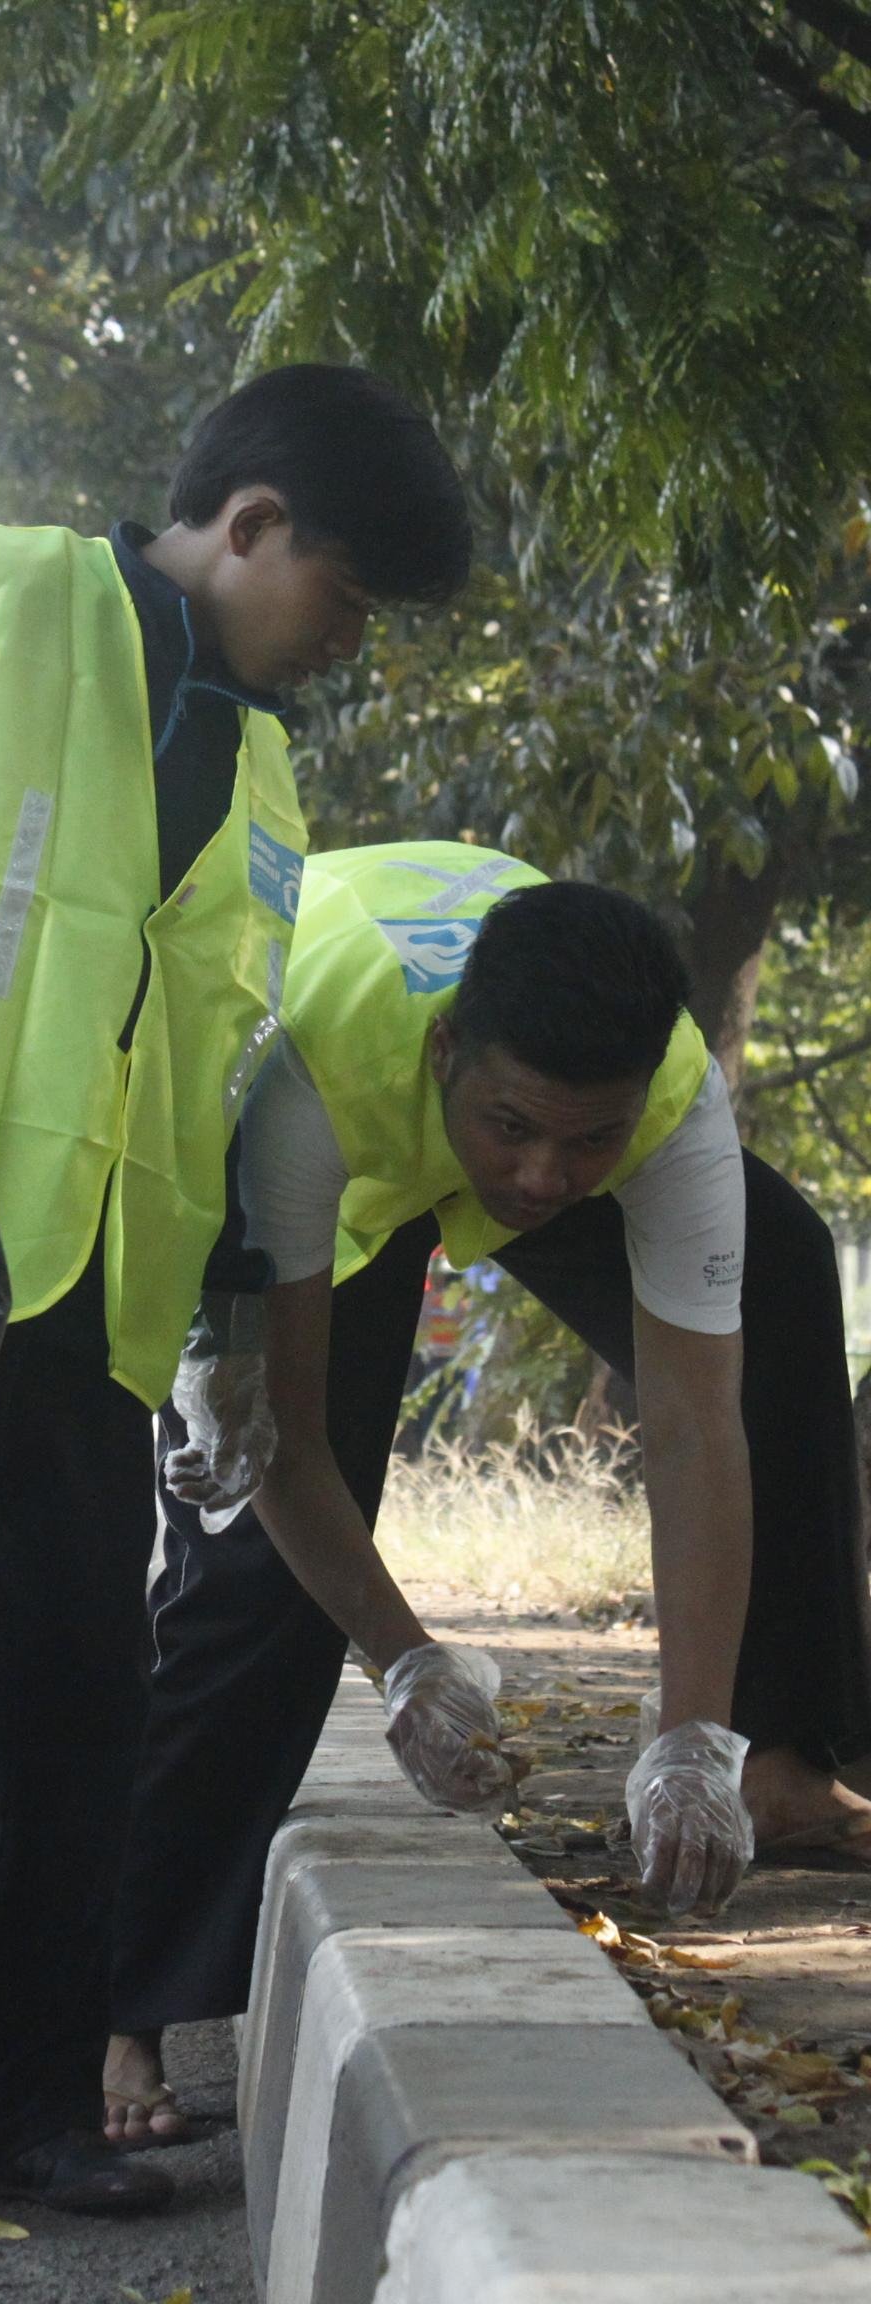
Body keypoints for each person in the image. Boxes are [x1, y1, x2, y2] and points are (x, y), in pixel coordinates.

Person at [0, 369, 472, 2215]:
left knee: (71, 1705)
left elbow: (214, 1047)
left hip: (101, 1308)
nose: (349, 643)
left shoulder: (264, 764)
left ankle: (19, 2114)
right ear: (253, 525)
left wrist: (231, 1320)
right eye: (351, 598)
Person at [108, 845, 871, 2145]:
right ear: (454, 1050)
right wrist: (410, 1662)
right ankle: (115, 2001)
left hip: (485, 1084)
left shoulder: (663, 1105)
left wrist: (695, 1734)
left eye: (591, 1141)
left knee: (784, 1279)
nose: (539, 1181)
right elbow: (288, 1437)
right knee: (253, 1566)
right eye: (515, 1134)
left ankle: (780, 1763)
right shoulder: (311, 1072)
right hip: (329, 1118)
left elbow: (694, 1430)